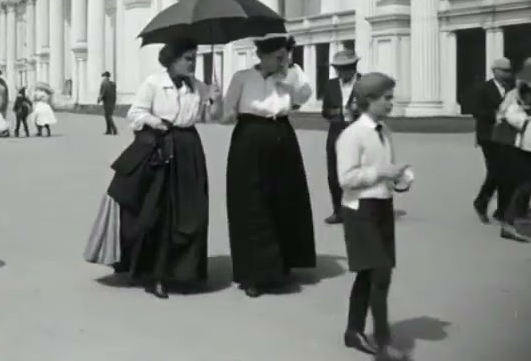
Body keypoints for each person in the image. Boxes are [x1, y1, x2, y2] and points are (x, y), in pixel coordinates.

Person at [105, 39, 212, 298]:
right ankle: (157, 275)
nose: (193, 62)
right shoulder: (153, 83)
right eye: (188, 57)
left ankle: (185, 272)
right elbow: (135, 114)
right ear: (172, 60)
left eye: (194, 57)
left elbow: (207, 117)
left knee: (191, 209)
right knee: (160, 212)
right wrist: (157, 122)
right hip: (161, 148)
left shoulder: (196, 85)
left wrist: (212, 100)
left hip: (189, 148)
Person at [221, 33, 317, 298]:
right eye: (277, 57)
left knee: (284, 199)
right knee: (251, 204)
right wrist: (218, 103)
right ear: (261, 56)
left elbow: (304, 96)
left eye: (285, 56)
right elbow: (227, 114)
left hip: (282, 135)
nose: (283, 60)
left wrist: (286, 76)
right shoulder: (242, 77)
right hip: (249, 138)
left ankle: (282, 265)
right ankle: (253, 273)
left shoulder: (290, 75)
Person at [335, 72, 414, 361]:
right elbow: (345, 179)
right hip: (359, 210)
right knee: (380, 273)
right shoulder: (352, 135)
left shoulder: (385, 131)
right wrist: (382, 173)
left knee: (369, 273)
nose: (391, 103)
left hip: (382, 207)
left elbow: (386, 169)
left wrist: (400, 178)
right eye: (387, 98)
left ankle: (353, 331)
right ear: (369, 100)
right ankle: (384, 344)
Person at [499, 84, 531, 243]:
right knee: (523, 185)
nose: (530, 99)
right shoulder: (515, 109)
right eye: (527, 95)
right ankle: (508, 221)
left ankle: (511, 217)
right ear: (521, 96)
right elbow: (517, 122)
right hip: (518, 152)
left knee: (530, 184)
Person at [471, 57, 515, 223]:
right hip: (488, 136)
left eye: (509, 71)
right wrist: (495, 114)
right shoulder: (484, 88)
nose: (507, 74)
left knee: (507, 172)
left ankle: (502, 210)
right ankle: (481, 202)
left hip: (507, 136)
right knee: (496, 171)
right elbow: (476, 110)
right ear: (495, 71)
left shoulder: (512, 89)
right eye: (504, 71)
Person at [320, 49, 361, 225]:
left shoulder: (364, 83)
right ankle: (338, 211)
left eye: (345, 68)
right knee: (334, 174)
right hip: (336, 131)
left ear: (353, 67)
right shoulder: (330, 85)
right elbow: (325, 111)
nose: (341, 72)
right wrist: (337, 113)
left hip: (358, 132)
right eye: (338, 68)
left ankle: (358, 212)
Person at [98, 71, 118, 135]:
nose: (103, 78)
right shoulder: (113, 84)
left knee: (108, 116)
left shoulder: (104, 83)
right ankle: (108, 130)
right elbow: (115, 93)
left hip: (107, 102)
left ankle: (114, 130)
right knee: (108, 115)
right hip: (112, 101)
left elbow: (102, 93)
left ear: (105, 76)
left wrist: (99, 99)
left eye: (103, 76)